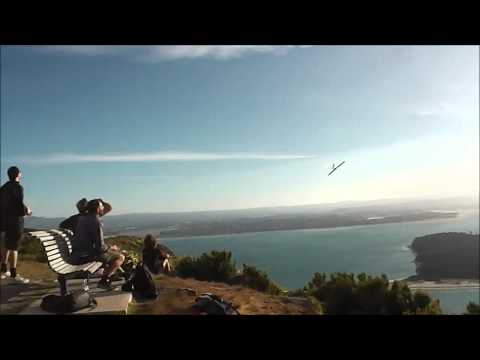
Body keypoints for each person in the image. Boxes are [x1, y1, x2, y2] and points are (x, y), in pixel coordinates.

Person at [71, 198, 123, 290]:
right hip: (87, 255)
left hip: (79, 253)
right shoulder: (95, 221)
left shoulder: (83, 219)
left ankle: (109, 276)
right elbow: (100, 247)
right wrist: (111, 247)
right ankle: (104, 281)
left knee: (110, 254)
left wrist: (108, 248)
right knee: (120, 257)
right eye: (102, 206)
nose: (103, 208)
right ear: (98, 208)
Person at [0, 166, 32, 283]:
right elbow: (18, 204)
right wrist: (27, 211)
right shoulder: (18, 187)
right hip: (15, 221)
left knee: (6, 244)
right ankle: (13, 274)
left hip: (4, 220)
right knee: (14, 246)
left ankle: (3, 269)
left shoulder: (3, 188)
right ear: (18, 174)